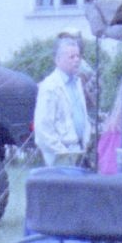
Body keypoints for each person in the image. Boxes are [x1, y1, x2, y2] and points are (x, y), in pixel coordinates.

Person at [35, 32, 94, 170]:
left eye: (78, 56)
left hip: (79, 154)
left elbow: (83, 118)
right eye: (71, 57)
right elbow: (43, 129)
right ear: (58, 59)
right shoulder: (49, 87)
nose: (76, 60)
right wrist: (63, 154)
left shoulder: (78, 83)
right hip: (60, 159)